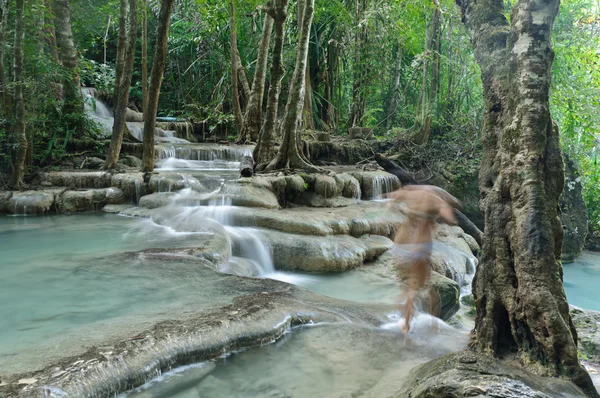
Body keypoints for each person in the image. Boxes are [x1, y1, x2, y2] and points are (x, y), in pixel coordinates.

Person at [386, 185, 458, 337]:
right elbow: (450, 218)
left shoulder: (410, 194)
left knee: (406, 284)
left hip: (401, 244)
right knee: (424, 286)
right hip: (420, 246)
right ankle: (418, 324)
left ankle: (404, 318)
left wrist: (391, 206)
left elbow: (392, 196)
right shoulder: (434, 199)